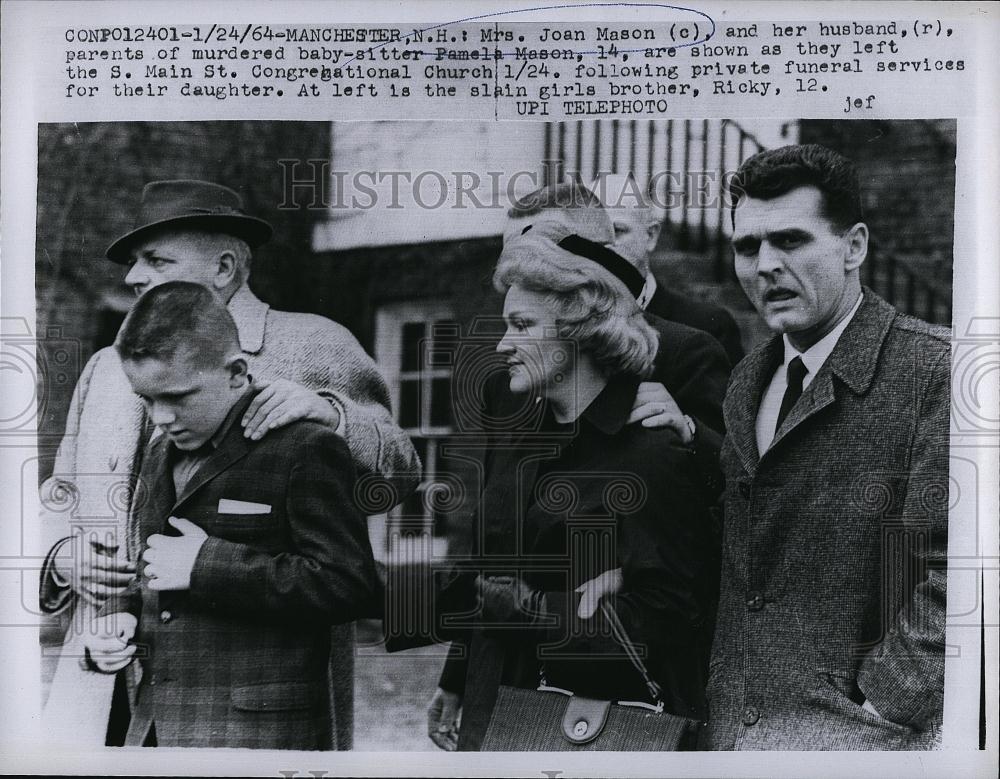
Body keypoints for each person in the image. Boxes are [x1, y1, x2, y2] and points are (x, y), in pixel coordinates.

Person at [39, 180, 419, 748]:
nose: (132, 277)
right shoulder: (107, 364)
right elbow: (61, 491)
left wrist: (332, 414)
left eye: (155, 259)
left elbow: (401, 474)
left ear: (223, 266)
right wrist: (61, 558)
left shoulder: (316, 344)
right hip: (107, 678)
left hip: (250, 705)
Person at [423, 221, 721, 751]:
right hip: (494, 707)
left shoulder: (651, 454)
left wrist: (531, 609)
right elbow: (487, 572)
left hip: (592, 729)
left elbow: (670, 621)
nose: (502, 343)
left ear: (579, 329)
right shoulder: (520, 441)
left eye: (521, 325)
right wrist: (457, 672)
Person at [704, 144, 949, 749]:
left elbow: (967, 570)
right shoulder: (748, 381)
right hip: (736, 738)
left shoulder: (935, 369)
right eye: (747, 246)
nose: (764, 266)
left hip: (863, 743)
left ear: (854, 246)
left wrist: (883, 702)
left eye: (790, 240)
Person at [86, 281, 380, 748]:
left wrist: (205, 566)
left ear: (237, 372)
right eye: (147, 399)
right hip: (155, 727)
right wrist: (117, 617)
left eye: (179, 396)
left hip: (259, 738)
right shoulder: (162, 449)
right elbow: (154, 565)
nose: (160, 416)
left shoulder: (305, 447)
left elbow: (350, 584)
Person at [593, 172, 745, 367]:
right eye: (591, 233)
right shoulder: (563, 320)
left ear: (651, 236)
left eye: (617, 231)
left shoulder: (708, 326)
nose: (602, 246)